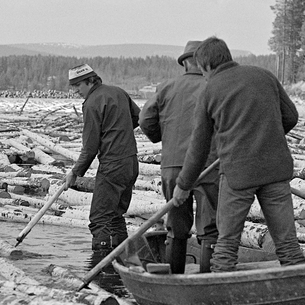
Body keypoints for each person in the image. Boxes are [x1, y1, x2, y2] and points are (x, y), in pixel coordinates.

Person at [174, 37, 305, 272]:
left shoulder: (209, 90)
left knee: (227, 244)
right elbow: (291, 117)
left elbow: (198, 148)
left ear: (205, 66)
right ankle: (303, 292)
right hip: (275, 170)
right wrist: (267, 138)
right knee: (287, 244)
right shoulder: (264, 75)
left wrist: (183, 185)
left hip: (238, 175)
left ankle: (219, 296)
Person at [139, 40, 219, 273]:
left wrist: (162, 138)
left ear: (185, 63)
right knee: (209, 226)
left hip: (173, 166)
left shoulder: (166, 87)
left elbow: (145, 121)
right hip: (209, 165)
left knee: (175, 225)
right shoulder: (214, 87)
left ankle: (175, 277)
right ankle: (206, 280)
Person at [63, 63, 140, 262]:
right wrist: (118, 131)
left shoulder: (91, 103)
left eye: (78, 85)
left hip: (113, 165)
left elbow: (90, 147)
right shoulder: (118, 92)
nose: (75, 90)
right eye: (73, 86)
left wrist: (75, 172)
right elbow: (138, 118)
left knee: (99, 219)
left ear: (90, 80)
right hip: (131, 163)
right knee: (115, 215)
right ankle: (121, 264)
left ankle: (101, 267)